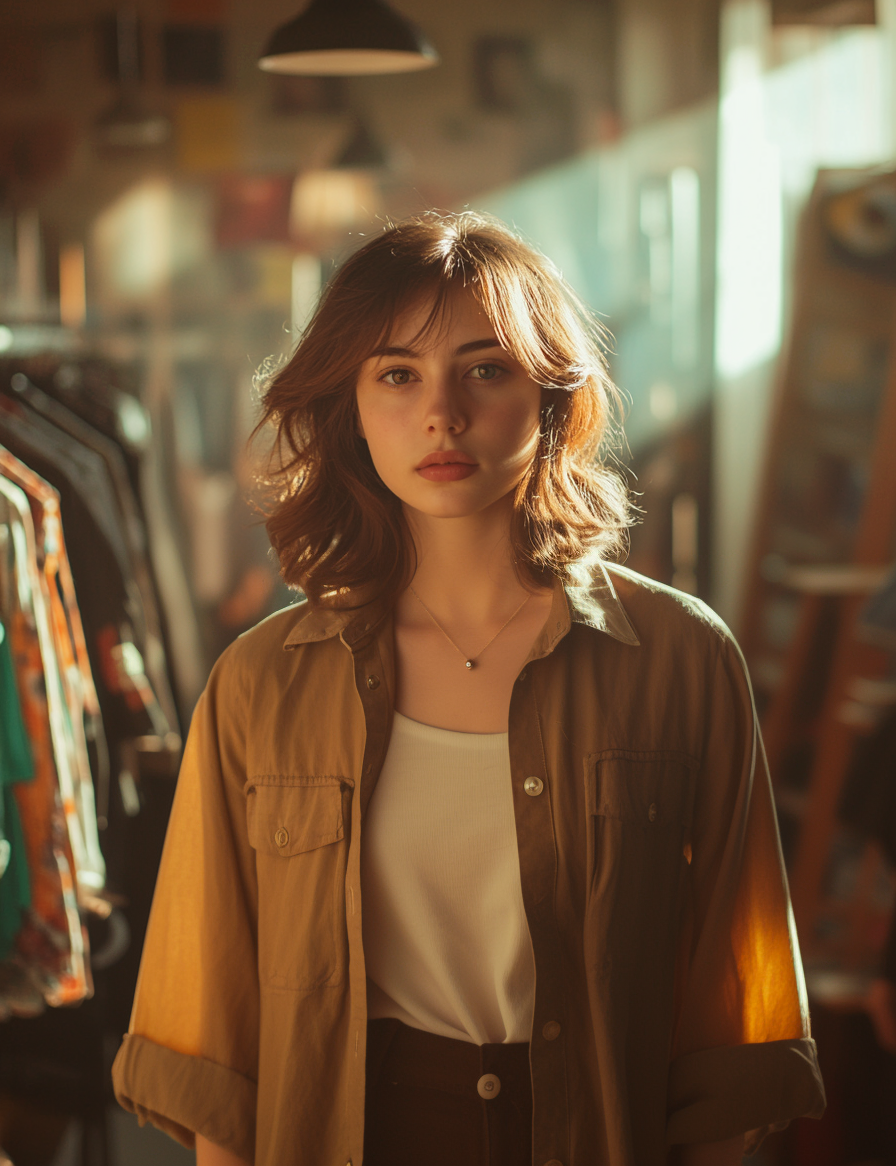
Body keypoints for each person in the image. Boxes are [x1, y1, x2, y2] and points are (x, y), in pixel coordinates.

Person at [112, 212, 825, 1166]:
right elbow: (216, 1049)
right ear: (351, 407)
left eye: (485, 369)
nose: (442, 414)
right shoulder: (263, 683)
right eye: (397, 374)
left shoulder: (682, 662)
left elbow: (736, 1027)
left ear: (551, 398)